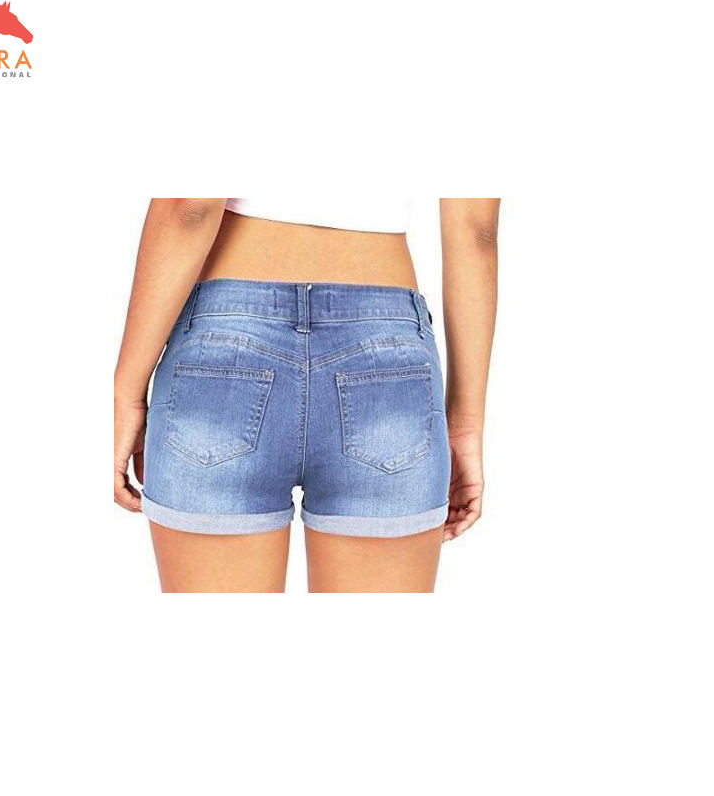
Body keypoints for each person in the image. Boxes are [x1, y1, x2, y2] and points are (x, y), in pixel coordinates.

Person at [114, 198, 499, 592]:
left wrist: (125, 394)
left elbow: (190, 207)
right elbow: (476, 232)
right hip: (386, 354)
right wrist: (465, 425)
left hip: (227, 350)